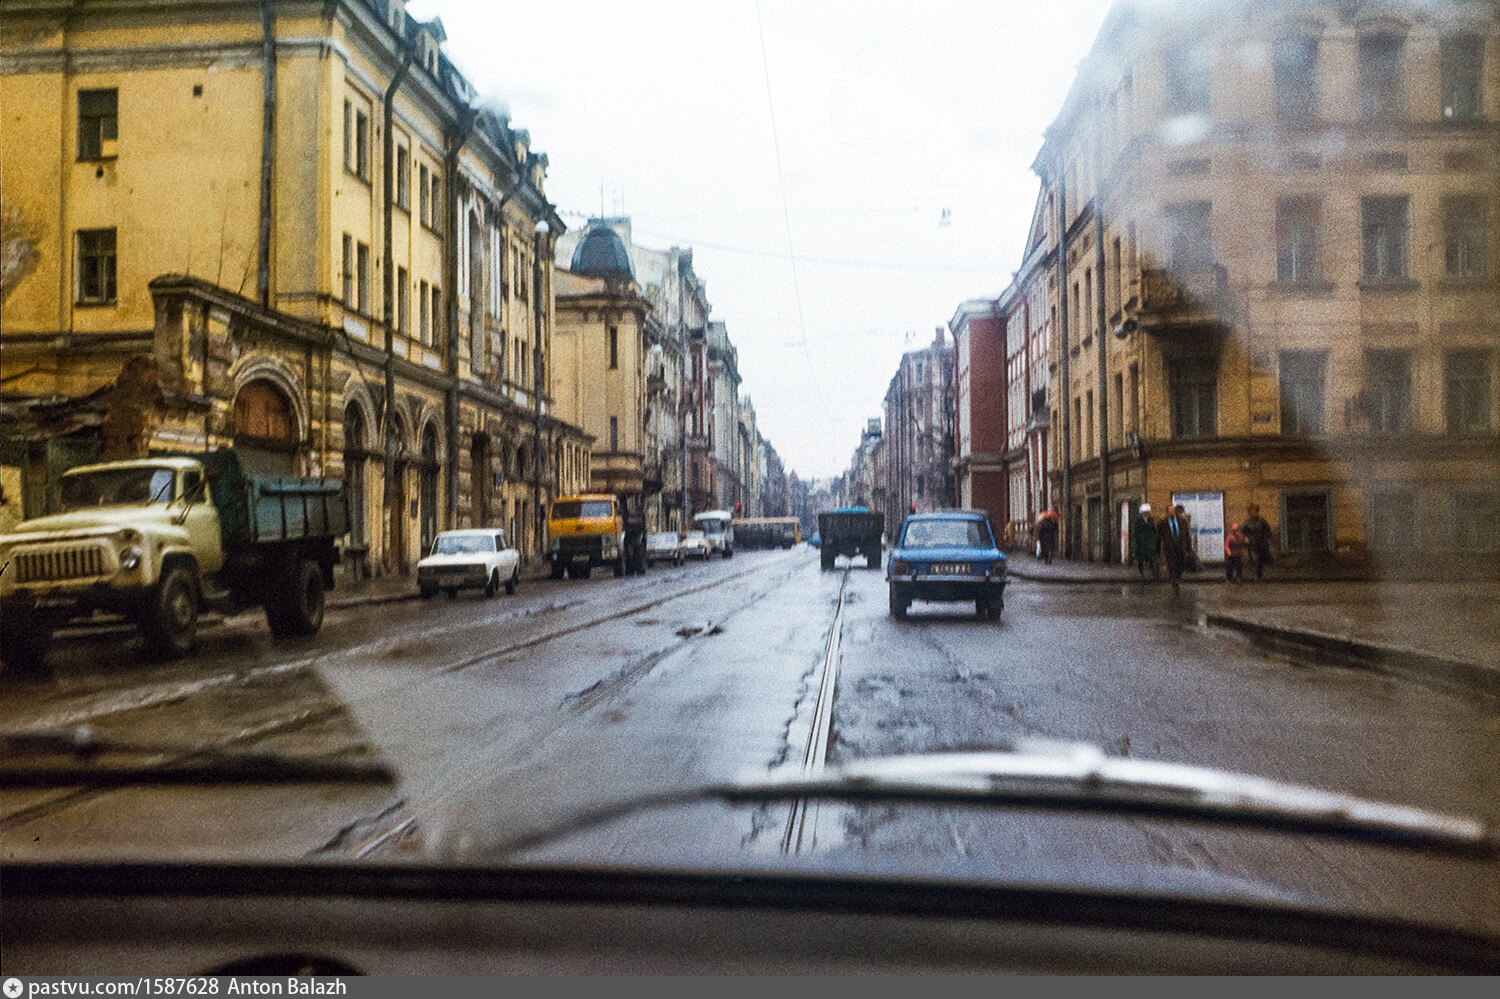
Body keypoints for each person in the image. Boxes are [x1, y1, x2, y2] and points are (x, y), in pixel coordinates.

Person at [1158, 503, 1192, 595]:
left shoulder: (1182, 522)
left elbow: (1187, 536)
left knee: (1180, 566)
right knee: (1172, 566)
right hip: (1169, 549)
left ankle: (1177, 578)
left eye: (1173, 510)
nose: (1172, 512)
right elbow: (1159, 538)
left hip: (1180, 547)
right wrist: (1157, 550)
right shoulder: (1163, 523)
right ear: (1167, 512)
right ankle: (1175, 583)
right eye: (1170, 510)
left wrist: (1189, 548)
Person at [1242, 503, 1273, 580]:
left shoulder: (1262, 521)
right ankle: (1256, 574)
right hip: (1252, 543)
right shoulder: (1247, 522)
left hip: (1261, 542)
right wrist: (1246, 538)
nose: (1253, 514)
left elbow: (1268, 531)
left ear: (1257, 512)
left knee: (1260, 559)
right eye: (1251, 512)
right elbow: (1244, 531)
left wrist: (1266, 539)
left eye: (1254, 512)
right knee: (1254, 559)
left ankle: (1259, 574)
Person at [1129, 503, 1158, 580]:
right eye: (1145, 512)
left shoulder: (1151, 520)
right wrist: (1136, 541)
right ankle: (1141, 573)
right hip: (1141, 543)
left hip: (1149, 542)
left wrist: (1154, 539)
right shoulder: (1138, 520)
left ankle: (1153, 573)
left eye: (1148, 511)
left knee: (1151, 559)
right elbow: (1135, 531)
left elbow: (1154, 530)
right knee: (1140, 559)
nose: (1147, 513)